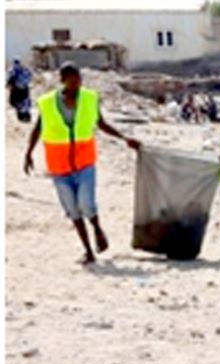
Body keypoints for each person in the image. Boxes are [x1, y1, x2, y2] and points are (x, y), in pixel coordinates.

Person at [22, 62, 141, 264]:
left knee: (87, 203)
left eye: (79, 80)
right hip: (59, 166)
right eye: (72, 80)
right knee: (73, 210)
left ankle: (97, 229)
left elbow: (101, 124)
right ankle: (88, 251)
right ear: (63, 81)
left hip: (84, 162)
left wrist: (124, 138)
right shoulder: (48, 102)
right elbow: (38, 128)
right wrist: (28, 153)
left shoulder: (89, 98)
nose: (77, 84)